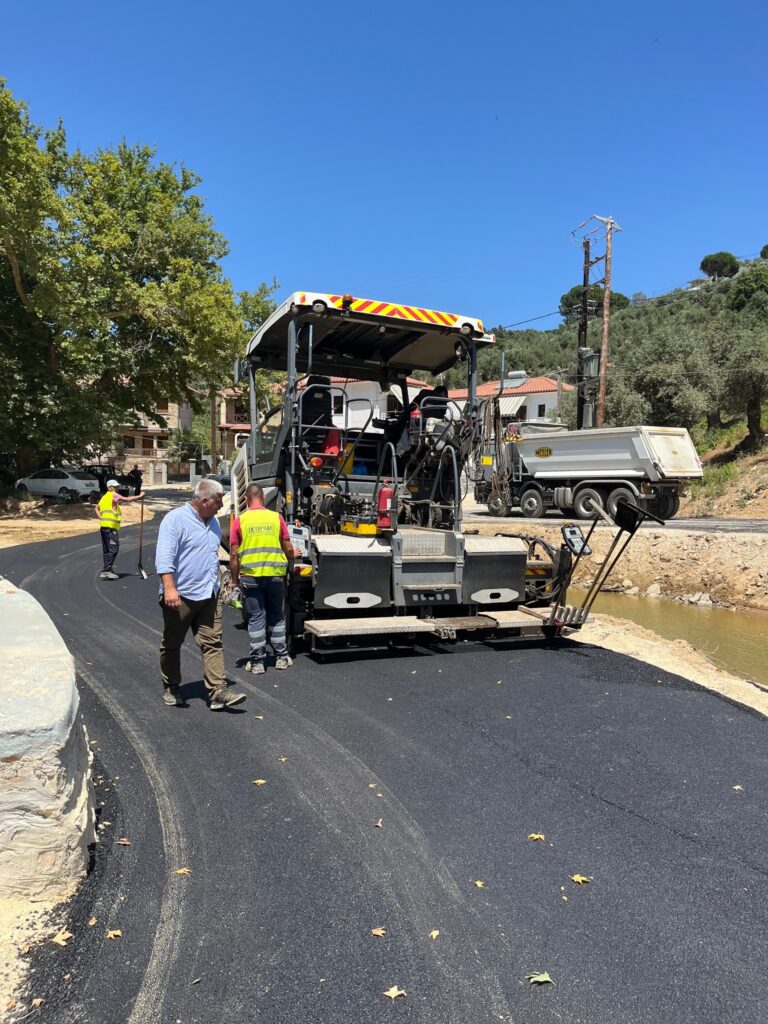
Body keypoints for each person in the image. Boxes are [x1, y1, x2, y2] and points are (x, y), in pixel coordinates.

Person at [155, 478, 246, 710]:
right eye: (217, 501)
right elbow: (164, 557)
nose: (220, 506)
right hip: (181, 595)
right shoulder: (175, 520)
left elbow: (218, 552)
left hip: (208, 594)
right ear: (204, 500)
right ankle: (172, 686)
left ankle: (217, 693)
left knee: (212, 642)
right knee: (172, 643)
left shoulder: (214, 523)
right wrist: (169, 588)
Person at [229, 483, 301, 675]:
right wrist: (293, 557)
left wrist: (235, 581)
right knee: (276, 616)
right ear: (263, 497)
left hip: (250, 578)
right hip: (275, 577)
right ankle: (281, 658)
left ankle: (258, 661)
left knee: (255, 618)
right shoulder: (276, 518)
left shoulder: (240, 520)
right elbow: (287, 546)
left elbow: (234, 555)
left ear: (246, 499)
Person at [95, 479, 145, 580]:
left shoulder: (104, 497)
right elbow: (126, 499)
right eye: (114, 486)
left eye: (117, 486)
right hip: (110, 527)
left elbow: (96, 508)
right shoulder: (112, 494)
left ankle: (108, 569)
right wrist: (140, 496)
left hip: (104, 526)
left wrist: (101, 518)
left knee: (107, 549)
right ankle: (106, 570)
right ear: (109, 488)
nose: (116, 488)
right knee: (114, 548)